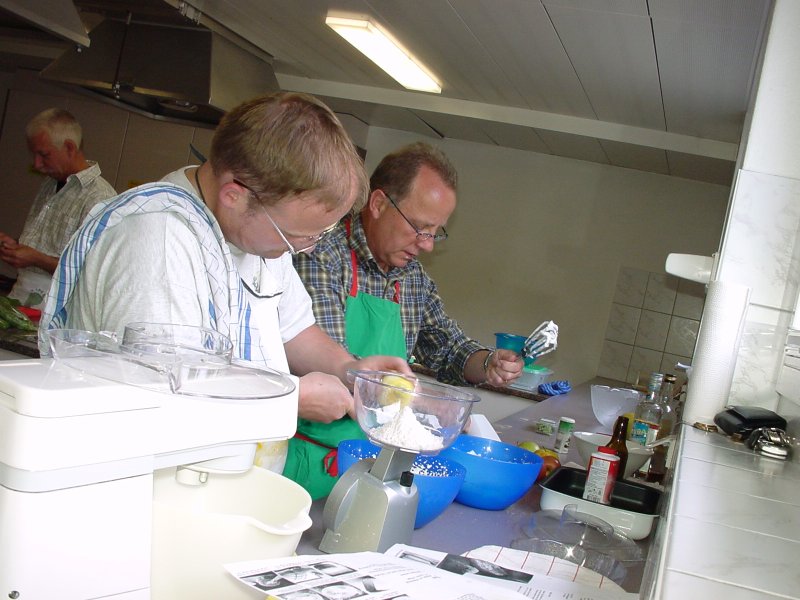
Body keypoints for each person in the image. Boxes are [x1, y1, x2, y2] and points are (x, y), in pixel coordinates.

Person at [38, 92, 410, 497]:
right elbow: (167, 399)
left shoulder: (261, 236)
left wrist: (351, 370)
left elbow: (293, 329)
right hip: (152, 493)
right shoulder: (159, 240)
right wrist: (290, 401)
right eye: (298, 235)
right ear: (235, 194)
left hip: (225, 487)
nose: (305, 250)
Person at [294, 141, 524, 387]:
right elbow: (327, 362)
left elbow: (448, 348)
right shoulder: (321, 256)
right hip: (318, 411)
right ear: (379, 204)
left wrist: (489, 363)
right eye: (419, 227)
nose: (428, 245)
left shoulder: (414, 278)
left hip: (380, 411)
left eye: (435, 232)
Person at [0, 108, 116, 309]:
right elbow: (46, 244)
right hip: (21, 298)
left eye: (44, 155)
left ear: (69, 147)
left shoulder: (100, 197)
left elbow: (92, 272)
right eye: (34, 155)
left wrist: (35, 258)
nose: (37, 164)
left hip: (57, 310)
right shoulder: (50, 183)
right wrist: (15, 246)